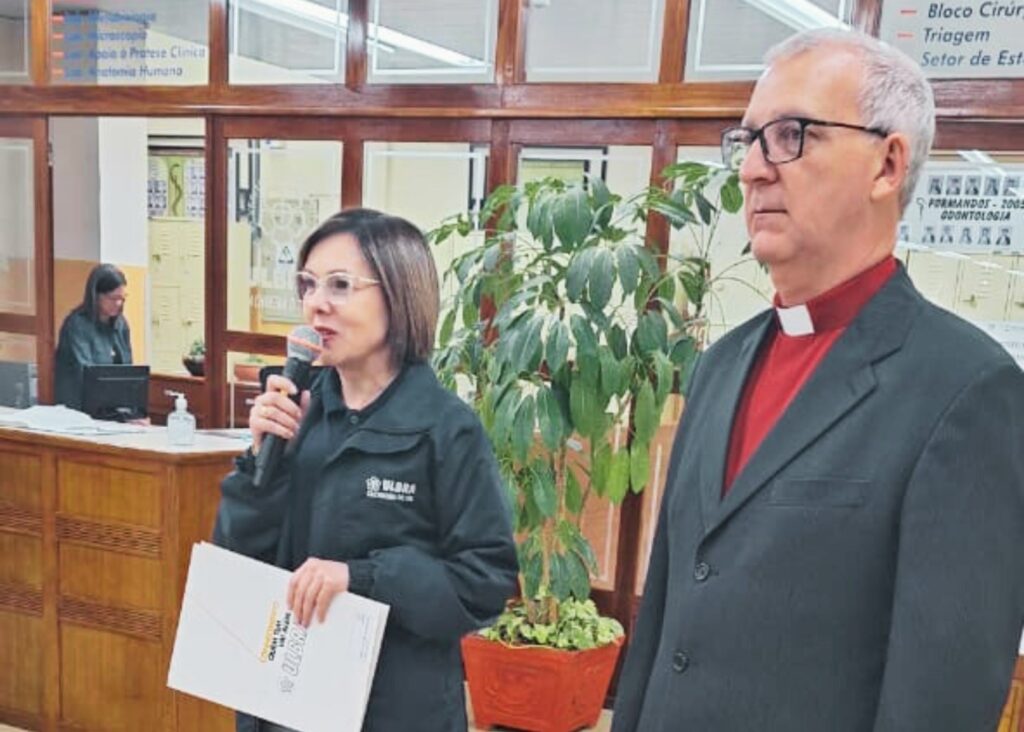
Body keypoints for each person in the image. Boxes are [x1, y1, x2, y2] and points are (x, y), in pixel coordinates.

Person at [613, 29, 1024, 732]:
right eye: (746, 140)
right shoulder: (718, 366)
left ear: (887, 164)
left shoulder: (966, 392)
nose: (752, 170)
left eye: (791, 135)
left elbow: (938, 702)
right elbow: (664, 623)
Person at [213, 209, 518, 732]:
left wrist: (364, 578)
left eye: (340, 285)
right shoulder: (298, 413)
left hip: (395, 709)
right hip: (287, 699)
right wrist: (260, 462)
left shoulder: (446, 429)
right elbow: (238, 563)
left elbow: (484, 583)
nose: (316, 303)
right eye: (307, 284)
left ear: (398, 295)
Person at [54, 263, 132, 410]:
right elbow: (86, 373)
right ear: (95, 295)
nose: (118, 303)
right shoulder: (76, 325)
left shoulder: (121, 325)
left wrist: (132, 411)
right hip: (79, 407)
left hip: (111, 408)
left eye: (122, 298)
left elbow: (128, 372)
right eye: (113, 298)